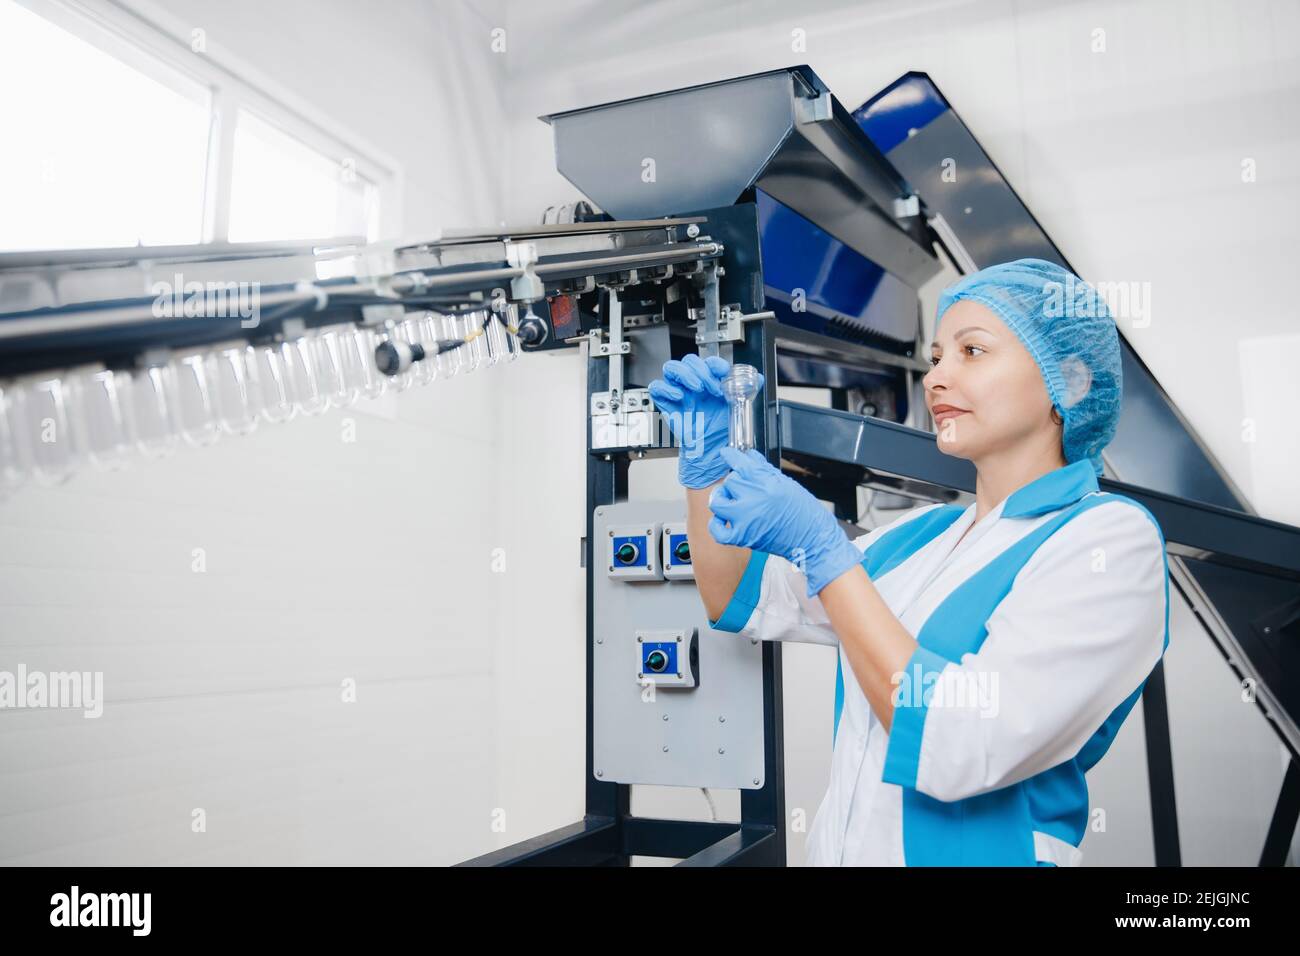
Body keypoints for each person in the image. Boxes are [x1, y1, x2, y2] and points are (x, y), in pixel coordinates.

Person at [647, 258, 1170, 866]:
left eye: (973, 351)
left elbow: (960, 741)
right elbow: (737, 594)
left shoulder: (1106, 541)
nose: (937, 378)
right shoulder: (925, 535)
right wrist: (708, 470)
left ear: (1071, 382)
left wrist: (825, 551)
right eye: (937, 356)